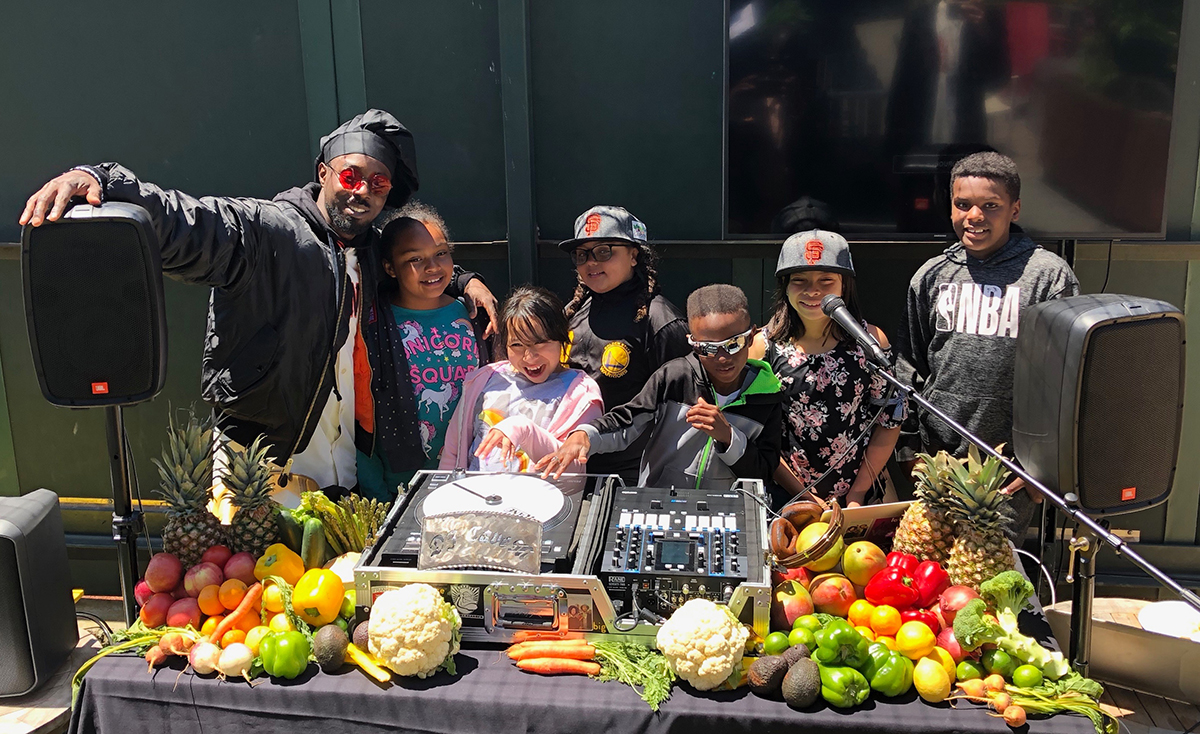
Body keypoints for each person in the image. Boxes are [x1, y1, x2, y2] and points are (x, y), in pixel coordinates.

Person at [19, 110, 498, 493]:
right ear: (323, 173)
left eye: (379, 184)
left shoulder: (370, 249)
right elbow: (184, 220)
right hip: (265, 461)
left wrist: (463, 280)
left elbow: (415, 264)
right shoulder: (264, 229)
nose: (363, 193)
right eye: (353, 176)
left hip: (346, 455)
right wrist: (100, 178)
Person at [895, 151, 1080, 535]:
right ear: (950, 208)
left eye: (990, 206)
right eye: (963, 205)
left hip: (1008, 472)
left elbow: (1067, 381)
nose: (974, 216)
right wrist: (911, 454)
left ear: (1014, 209)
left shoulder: (1047, 276)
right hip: (936, 465)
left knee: (989, 586)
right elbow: (908, 368)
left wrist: (1041, 467)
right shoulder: (932, 275)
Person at [538, 284, 782, 491]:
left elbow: (764, 472)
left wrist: (728, 438)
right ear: (692, 343)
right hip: (661, 502)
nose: (721, 357)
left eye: (733, 344)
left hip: (728, 513)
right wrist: (585, 435)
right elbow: (628, 419)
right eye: (707, 348)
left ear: (751, 337)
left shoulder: (766, 395)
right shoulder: (675, 377)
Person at [750, 229, 906, 510]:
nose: (813, 291)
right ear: (784, 286)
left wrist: (857, 494)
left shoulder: (870, 342)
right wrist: (807, 499)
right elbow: (758, 436)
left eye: (826, 281)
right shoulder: (762, 347)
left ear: (844, 286)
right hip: (788, 499)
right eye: (799, 281)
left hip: (861, 496)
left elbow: (889, 421)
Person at [355, 216, 489, 500]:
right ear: (390, 267)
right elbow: (361, 413)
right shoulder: (373, 324)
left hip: (473, 476)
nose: (433, 267)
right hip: (403, 485)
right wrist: (377, 494)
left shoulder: (474, 314)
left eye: (441, 253)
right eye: (415, 259)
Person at [559, 205, 691, 482]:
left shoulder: (660, 321)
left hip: (629, 476)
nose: (591, 262)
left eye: (604, 251)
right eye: (581, 254)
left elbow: (679, 416)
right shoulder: (572, 313)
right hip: (568, 464)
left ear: (634, 255)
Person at [440, 286, 603, 487]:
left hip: (539, 508)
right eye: (517, 345)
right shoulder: (484, 380)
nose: (529, 357)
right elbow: (453, 452)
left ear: (562, 337)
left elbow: (573, 472)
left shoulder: (580, 393)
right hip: (476, 504)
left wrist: (523, 430)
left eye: (540, 342)